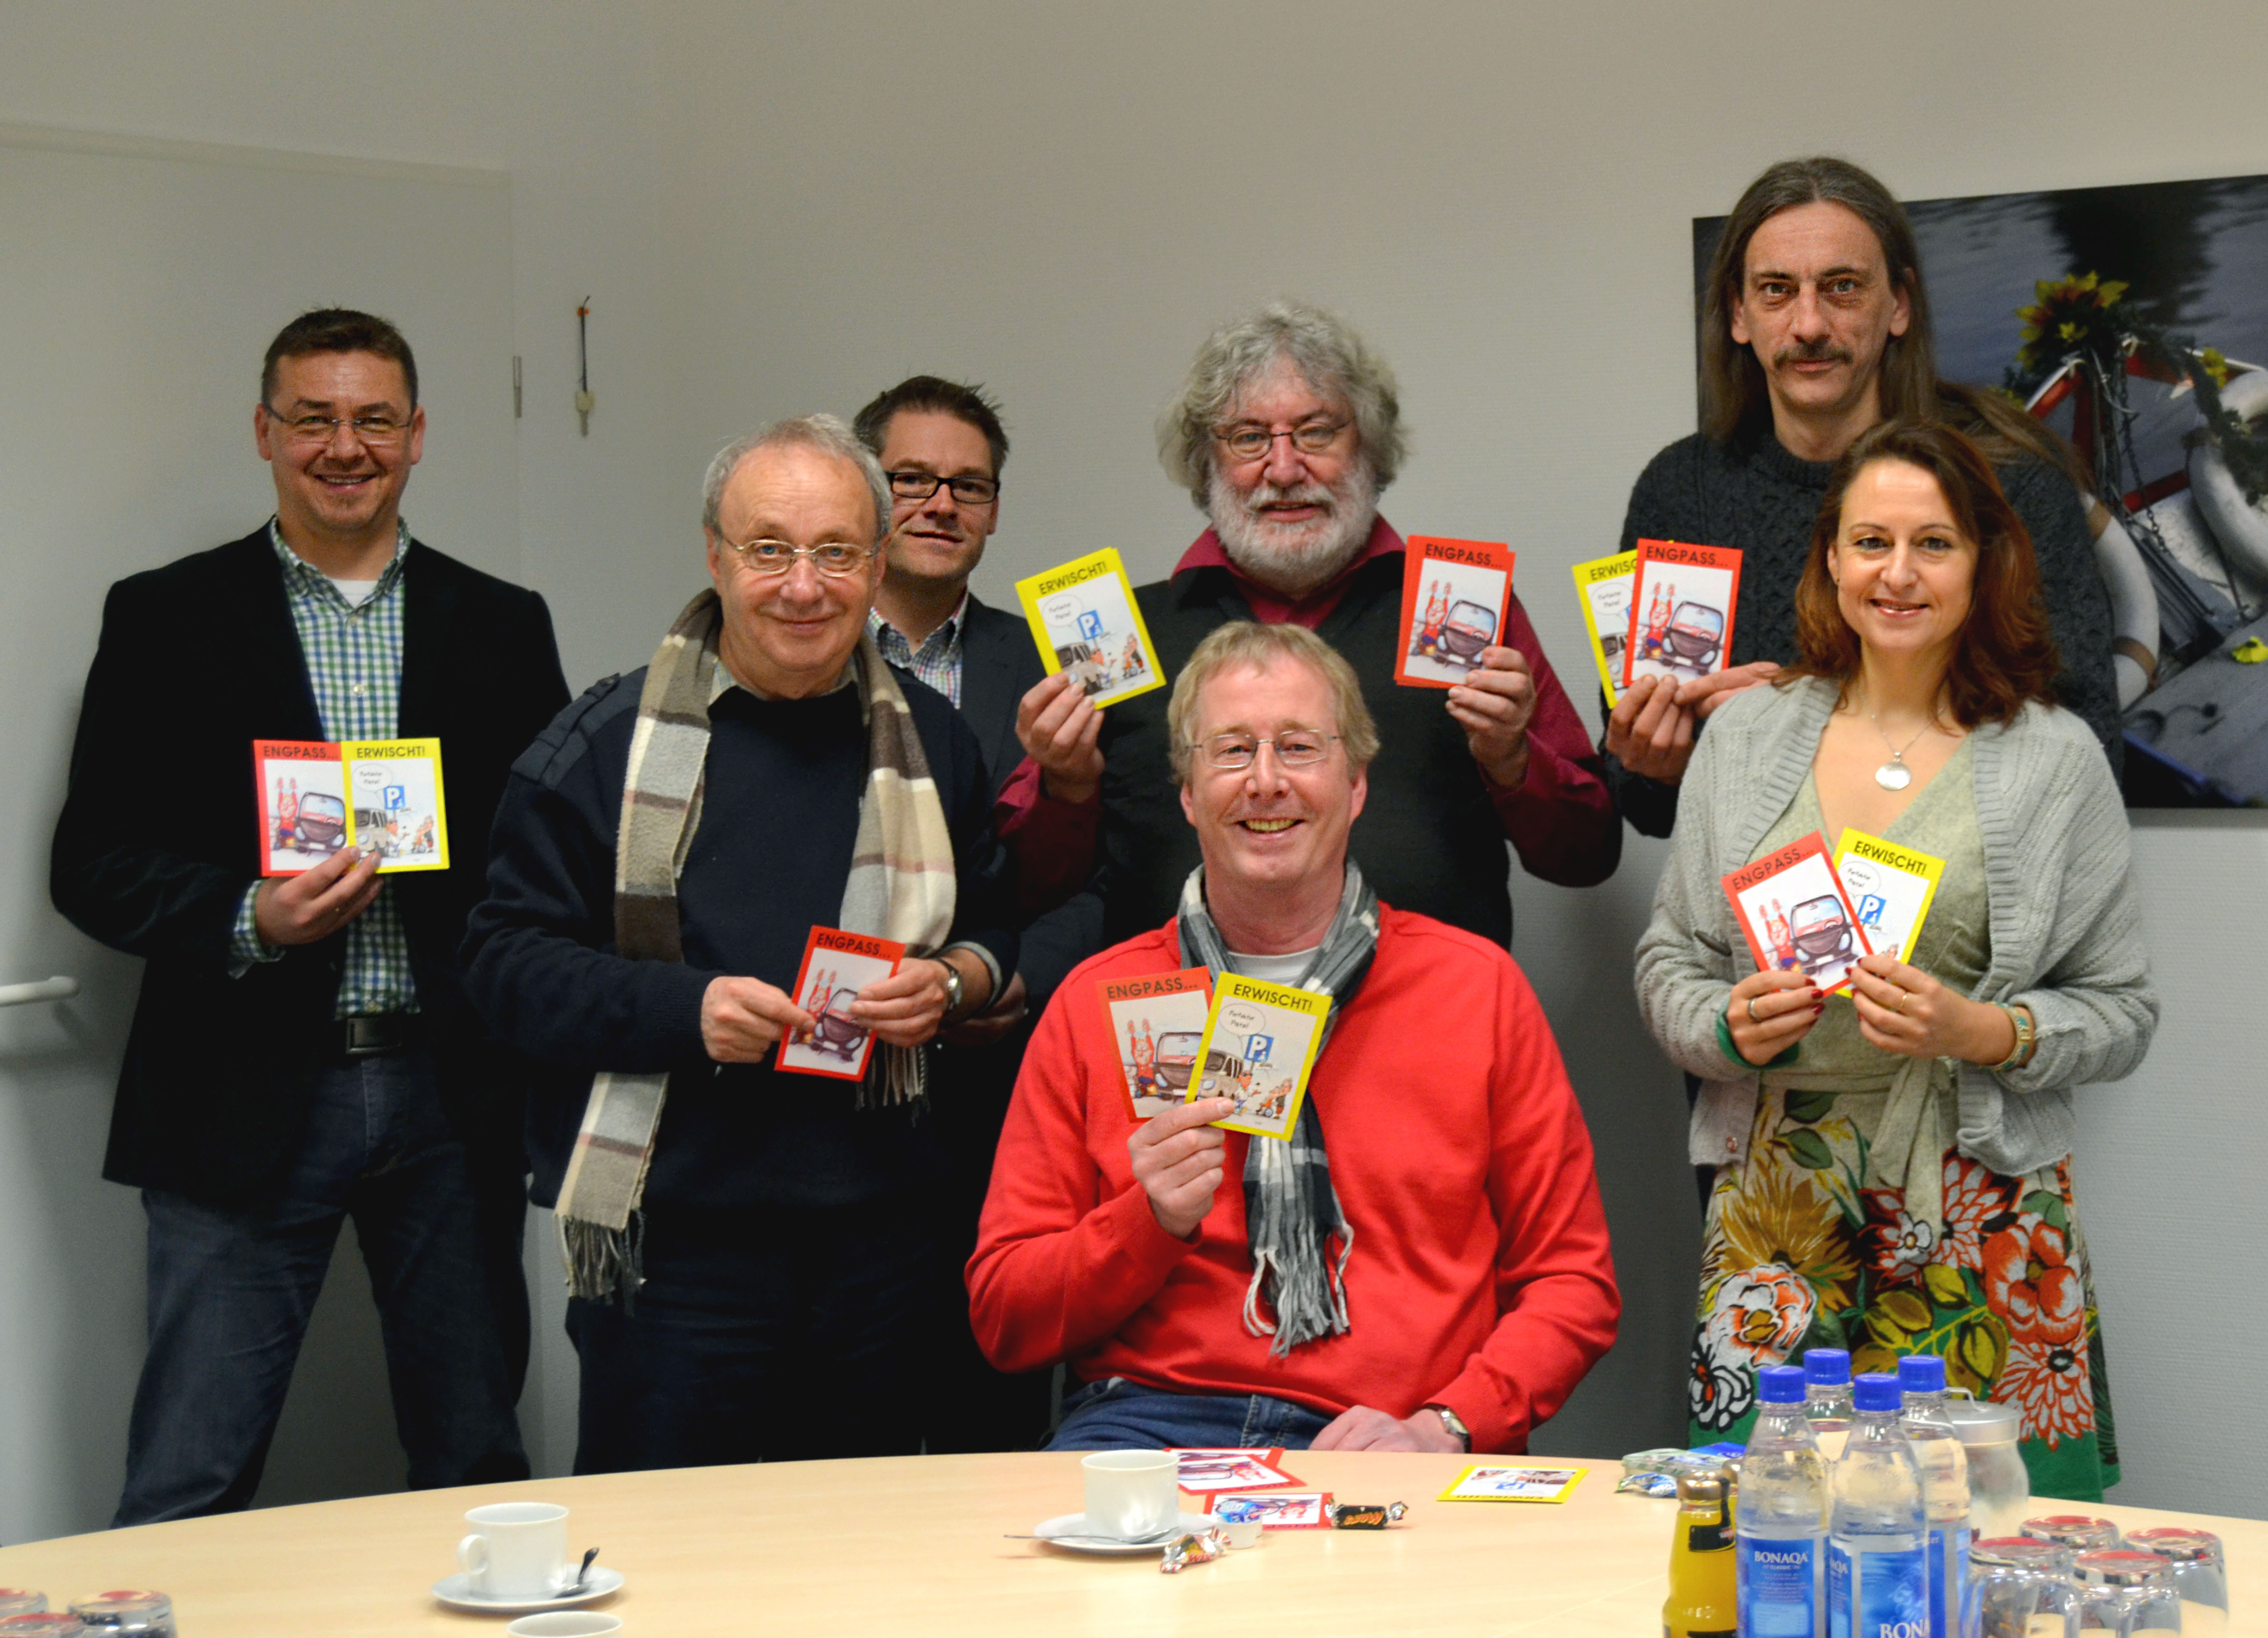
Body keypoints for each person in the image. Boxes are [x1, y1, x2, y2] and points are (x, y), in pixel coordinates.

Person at [50, 308, 568, 1523]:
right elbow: (92, 863)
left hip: (451, 1095)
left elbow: (549, 860)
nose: (346, 447)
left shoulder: (502, 621)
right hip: (237, 1092)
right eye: (315, 419)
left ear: (418, 434)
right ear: (265, 432)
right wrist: (250, 914)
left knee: (474, 1460)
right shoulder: (165, 614)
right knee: (191, 1472)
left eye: (374, 419)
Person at [462, 414, 1022, 1471]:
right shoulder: (604, 744)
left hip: (883, 1243)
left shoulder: (931, 743)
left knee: (859, 1548)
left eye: (836, 552)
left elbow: (994, 921)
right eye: (770, 549)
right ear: (715, 557)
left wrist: (953, 982)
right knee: (670, 1552)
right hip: (677, 1254)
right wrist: (688, 1011)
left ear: (877, 564)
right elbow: (502, 966)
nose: (803, 587)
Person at [1634, 419, 2155, 1501]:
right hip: (1776, 1195)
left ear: (1986, 561)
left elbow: (2123, 1010)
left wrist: (1987, 1031)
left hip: (1981, 1191)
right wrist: (1726, 1027)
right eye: (1872, 542)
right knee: (1775, 1524)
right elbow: (1669, 962)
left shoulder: (2055, 759)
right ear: (1831, 558)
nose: (1899, 574)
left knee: (1988, 1533)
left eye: (1935, 544)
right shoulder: (1745, 737)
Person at [970, 622, 1620, 1454]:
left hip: (1396, 1431)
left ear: (1356, 785)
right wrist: (1146, 1223)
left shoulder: (1478, 989)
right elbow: (1005, 1318)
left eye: (1300, 747)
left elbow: (1573, 1283)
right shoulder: (1097, 1003)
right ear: (1188, 795)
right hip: (1150, 1427)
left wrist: (1448, 1427)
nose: (1266, 781)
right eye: (1232, 751)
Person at [1018, 300, 1617, 953]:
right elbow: (1028, 887)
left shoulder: (1462, 612)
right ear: (1205, 463)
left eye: (1316, 433)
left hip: (1427, 1010)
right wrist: (1064, 785)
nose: (1283, 470)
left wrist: (1512, 761)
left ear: (1369, 448)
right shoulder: (1117, 636)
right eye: (1249, 438)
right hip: (1179, 1014)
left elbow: (1586, 855)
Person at [1606, 157, 2121, 840]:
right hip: (1753, 899)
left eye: (1842, 288)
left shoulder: (2009, 481)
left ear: (1899, 306)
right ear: (1738, 313)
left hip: (1962, 887)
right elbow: (1643, 804)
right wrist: (1656, 767)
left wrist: (1794, 723)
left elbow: (2087, 752)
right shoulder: (1680, 490)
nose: (1809, 324)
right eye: (1777, 290)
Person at [851, 374, 1097, 1451]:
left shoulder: (1062, 671)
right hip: (830, 1093)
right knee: (837, 1437)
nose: (941, 504)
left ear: (996, 509)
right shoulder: (796, 648)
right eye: (911, 479)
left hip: (1003, 1096)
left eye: (970, 485)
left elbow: (1111, 877)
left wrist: (1007, 977)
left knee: (989, 1430)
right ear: (864, 491)